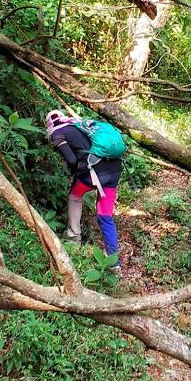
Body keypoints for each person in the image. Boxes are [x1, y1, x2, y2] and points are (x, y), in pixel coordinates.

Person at [45, 110, 122, 270]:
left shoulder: (57, 133)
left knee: (75, 196)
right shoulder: (78, 124)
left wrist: (75, 170)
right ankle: (114, 264)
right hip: (114, 171)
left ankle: (73, 237)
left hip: (93, 173)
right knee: (105, 216)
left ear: (49, 124)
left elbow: (72, 159)